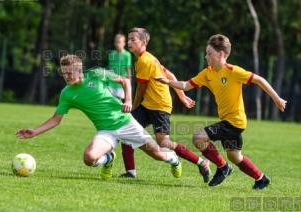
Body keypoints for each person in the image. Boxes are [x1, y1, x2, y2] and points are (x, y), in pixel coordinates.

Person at [15, 55, 182, 180]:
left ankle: (174, 160)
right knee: (89, 159)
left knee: (158, 155)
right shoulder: (66, 94)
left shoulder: (96, 74)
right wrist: (35, 132)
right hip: (106, 131)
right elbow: (55, 119)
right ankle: (108, 158)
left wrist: (129, 100)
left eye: (70, 73)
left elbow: (124, 80)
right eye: (64, 73)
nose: (66, 76)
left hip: (126, 123)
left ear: (80, 71)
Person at [154, 34, 287, 189]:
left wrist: (277, 99)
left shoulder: (233, 71)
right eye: (206, 53)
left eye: (209, 53)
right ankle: (261, 178)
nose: (206, 56)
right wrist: (168, 81)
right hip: (228, 121)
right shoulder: (207, 73)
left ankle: (223, 167)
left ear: (221, 54)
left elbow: (260, 80)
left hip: (234, 122)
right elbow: (185, 85)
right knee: (235, 156)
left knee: (198, 137)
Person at [119, 27, 211, 183]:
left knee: (164, 143)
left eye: (133, 39)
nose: (129, 42)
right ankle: (130, 172)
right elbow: (170, 75)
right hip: (149, 104)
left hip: (160, 105)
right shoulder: (147, 58)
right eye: (128, 39)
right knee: (125, 130)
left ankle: (202, 162)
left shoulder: (145, 60)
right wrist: (182, 97)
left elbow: (140, 89)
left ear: (143, 42)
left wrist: (133, 107)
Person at [107, 34, 132, 101]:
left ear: (124, 43)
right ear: (115, 43)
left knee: (118, 102)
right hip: (112, 82)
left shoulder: (127, 55)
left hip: (121, 83)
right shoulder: (112, 54)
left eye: (120, 42)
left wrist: (129, 82)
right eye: (117, 42)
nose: (118, 44)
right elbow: (109, 68)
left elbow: (128, 69)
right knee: (110, 101)